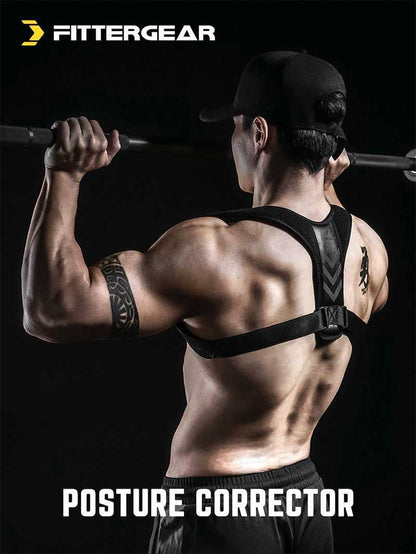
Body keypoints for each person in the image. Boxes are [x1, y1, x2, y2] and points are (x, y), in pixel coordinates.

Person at [21, 51, 388, 553]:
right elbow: (363, 284)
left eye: (235, 127)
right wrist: (325, 186)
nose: (232, 141)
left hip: (218, 513)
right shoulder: (369, 248)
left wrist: (63, 176)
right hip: (306, 504)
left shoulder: (216, 251)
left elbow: (51, 311)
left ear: (259, 133)